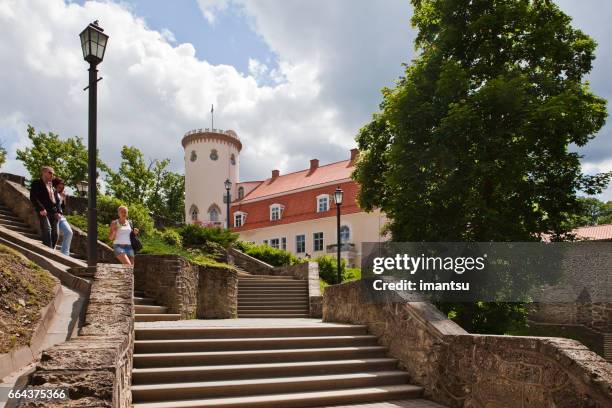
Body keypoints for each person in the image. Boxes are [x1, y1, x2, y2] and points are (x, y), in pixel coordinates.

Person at [29, 166, 62, 248]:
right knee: (47, 229)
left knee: (56, 234)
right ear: (43, 173)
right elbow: (33, 197)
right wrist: (41, 208)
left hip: (54, 212)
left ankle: (51, 249)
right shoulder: (36, 183)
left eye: (53, 173)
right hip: (43, 211)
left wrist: (59, 212)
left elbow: (57, 202)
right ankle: (48, 251)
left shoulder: (52, 188)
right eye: (50, 172)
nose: (52, 175)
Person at [52, 177, 73, 256]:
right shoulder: (52, 191)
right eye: (59, 186)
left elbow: (62, 207)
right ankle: (51, 251)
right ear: (55, 184)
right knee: (55, 235)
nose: (61, 187)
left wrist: (63, 198)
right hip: (54, 215)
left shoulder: (60, 194)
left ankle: (65, 254)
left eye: (62, 186)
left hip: (61, 217)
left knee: (69, 232)